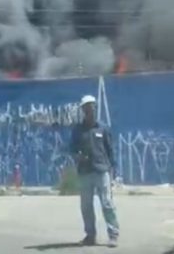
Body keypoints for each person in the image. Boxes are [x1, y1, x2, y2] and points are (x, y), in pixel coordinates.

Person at [70, 94, 119, 247]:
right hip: (85, 172)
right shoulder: (78, 130)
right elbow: (72, 148)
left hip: (102, 170)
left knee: (107, 203)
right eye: (87, 107)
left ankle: (113, 235)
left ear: (95, 108)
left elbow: (110, 149)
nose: (90, 110)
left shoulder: (103, 128)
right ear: (83, 110)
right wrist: (77, 156)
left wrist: (114, 168)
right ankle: (90, 236)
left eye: (92, 106)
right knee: (86, 205)